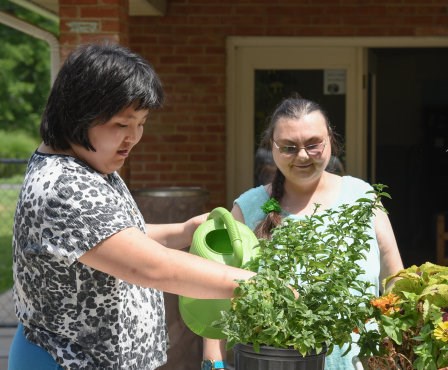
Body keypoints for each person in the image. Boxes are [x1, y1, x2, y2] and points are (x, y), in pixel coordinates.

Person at [8, 43, 256, 370]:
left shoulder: (87, 162)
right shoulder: (65, 186)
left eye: (142, 123)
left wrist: (184, 231)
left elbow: (112, 238)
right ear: (77, 113)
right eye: (122, 125)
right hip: (67, 360)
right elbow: (152, 267)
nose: (134, 138)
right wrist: (254, 286)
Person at [202, 96, 404, 370]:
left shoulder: (363, 198)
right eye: (288, 147)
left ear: (330, 140)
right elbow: (217, 299)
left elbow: (396, 281)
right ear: (271, 147)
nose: (302, 155)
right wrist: (213, 364)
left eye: (313, 144)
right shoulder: (247, 208)